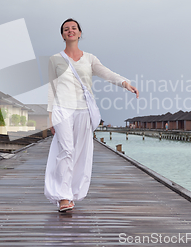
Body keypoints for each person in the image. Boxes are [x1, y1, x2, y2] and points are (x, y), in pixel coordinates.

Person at [44, 18, 139, 212]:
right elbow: (51, 89)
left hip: (83, 110)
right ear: (62, 35)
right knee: (67, 150)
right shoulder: (54, 59)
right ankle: (63, 197)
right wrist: (49, 115)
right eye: (66, 29)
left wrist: (124, 83)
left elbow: (107, 73)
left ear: (79, 33)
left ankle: (72, 192)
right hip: (62, 109)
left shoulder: (90, 59)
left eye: (73, 28)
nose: (70, 31)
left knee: (79, 153)